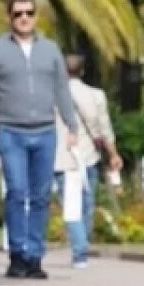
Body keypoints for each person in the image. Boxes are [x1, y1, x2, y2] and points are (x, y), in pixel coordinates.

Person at [0, 0, 78, 280]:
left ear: (36, 16)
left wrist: (72, 126)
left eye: (29, 13)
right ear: (9, 18)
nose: (24, 18)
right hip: (11, 131)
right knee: (17, 192)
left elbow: (62, 90)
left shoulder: (51, 50)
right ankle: (17, 254)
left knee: (41, 196)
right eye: (18, 14)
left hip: (45, 131)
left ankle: (35, 257)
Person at [53, 54, 122, 270]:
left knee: (71, 205)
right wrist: (113, 154)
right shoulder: (96, 95)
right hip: (88, 156)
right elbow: (104, 130)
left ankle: (80, 250)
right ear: (82, 72)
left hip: (63, 158)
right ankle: (82, 247)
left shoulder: (51, 96)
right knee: (87, 203)